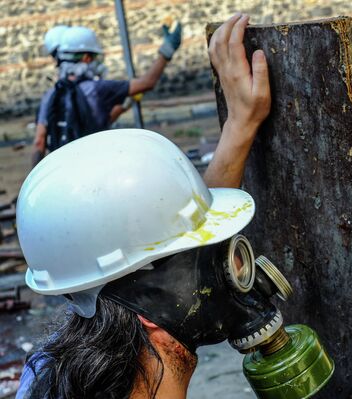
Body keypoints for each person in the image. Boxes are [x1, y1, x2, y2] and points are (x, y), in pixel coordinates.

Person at [16, 14, 272, 399]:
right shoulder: (95, 90)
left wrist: (241, 124)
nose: (229, 268)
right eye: (211, 256)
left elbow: (159, 238)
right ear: (148, 308)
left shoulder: (48, 372)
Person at [31, 22, 183, 166]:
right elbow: (147, 82)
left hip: (62, 173)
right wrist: (167, 50)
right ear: (86, 58)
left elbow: (39, 141)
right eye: (94, 57)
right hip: (94, 169)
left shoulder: (50, 95)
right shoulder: (98, 89)